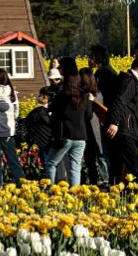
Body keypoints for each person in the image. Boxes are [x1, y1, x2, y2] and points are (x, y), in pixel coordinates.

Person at [45, 57, 92, 187]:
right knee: (75, 168)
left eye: (60, 67)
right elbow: (89, 115)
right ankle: (74, 196)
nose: (58, 69)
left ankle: (49, 191)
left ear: (64, 70)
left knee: (51, 163)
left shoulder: (62, 93)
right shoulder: (83, 93)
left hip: (65, 134)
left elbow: (55, 115)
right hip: (81, 136)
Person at [106, 56, 138, 189]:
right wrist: (115, 122)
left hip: (126, 128)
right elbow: (120, 101)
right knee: (135, 165)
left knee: (120, 165)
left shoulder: (126, 80)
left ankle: (115, 191)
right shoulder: (130, 82)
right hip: (126, 130)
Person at [79, 67, 109, 187]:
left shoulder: (96, 95)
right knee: (90, 157)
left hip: (96, 130)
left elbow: (100, 110)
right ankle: (93, 180)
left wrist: (92, 101)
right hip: (88, 129)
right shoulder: (91, 94)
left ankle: (106, 180)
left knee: (100, 156)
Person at [24, 86, 53, 171]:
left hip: (43, 142)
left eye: (40, 95)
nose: (38, 97)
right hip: (53, 140)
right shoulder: (54, 109)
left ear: (45, 97)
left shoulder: (39, 111)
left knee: (48, 164)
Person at [89, 45, 119, 110]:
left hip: (108, 109)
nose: (89, 59)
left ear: (98, 57)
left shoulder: (108, 73)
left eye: (91, 57)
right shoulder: (98, 72)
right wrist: (90, 69)